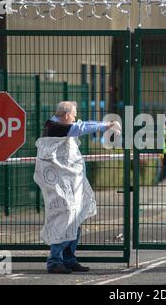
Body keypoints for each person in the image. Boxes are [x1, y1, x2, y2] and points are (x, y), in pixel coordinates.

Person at [34, 101, 120, 274]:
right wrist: (107, 125)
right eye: (73, 115)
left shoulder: (59, 126)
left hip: (71, 184)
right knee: (64, 219)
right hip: (59, 185)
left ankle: (69, 259)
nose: (75, 119)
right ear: (66, 116)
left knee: (76, 218)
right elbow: (82, 127)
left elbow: (80, 126)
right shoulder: (55, 127)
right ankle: (54, 261)